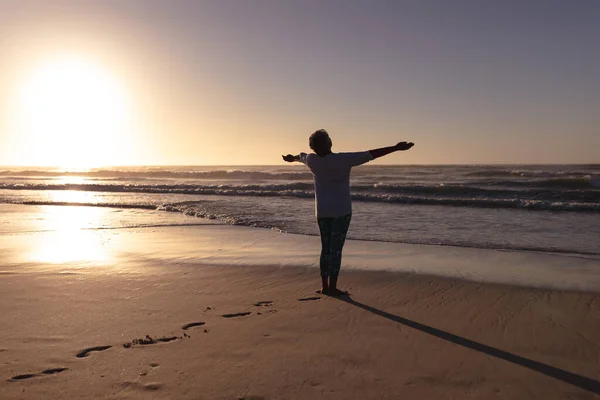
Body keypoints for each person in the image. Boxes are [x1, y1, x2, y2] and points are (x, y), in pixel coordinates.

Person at [282, 129, 414, 296]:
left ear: (313, 147)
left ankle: (324, 286)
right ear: (329, 143)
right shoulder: (343, 159)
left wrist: (290, 158)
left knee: (326, 249)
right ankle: (333, 287)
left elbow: (298, 156)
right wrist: (395, 148)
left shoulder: (311, 160)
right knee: (336, 250)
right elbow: (371, 154)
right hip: (341, 211)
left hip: (322, 212)